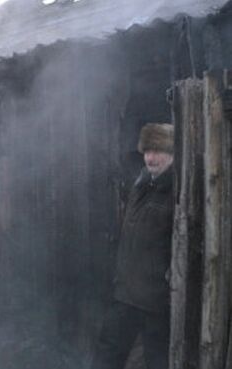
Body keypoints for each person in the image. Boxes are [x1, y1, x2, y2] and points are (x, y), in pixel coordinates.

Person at [92, 123, 175, 369]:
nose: (151, 157)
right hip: (125, 294)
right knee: (106, 357)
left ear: (173, 154)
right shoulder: (141, 184)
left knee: (158, 361)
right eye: (147, 150)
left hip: (155, 302)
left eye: (158, 151)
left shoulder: (177, 190)